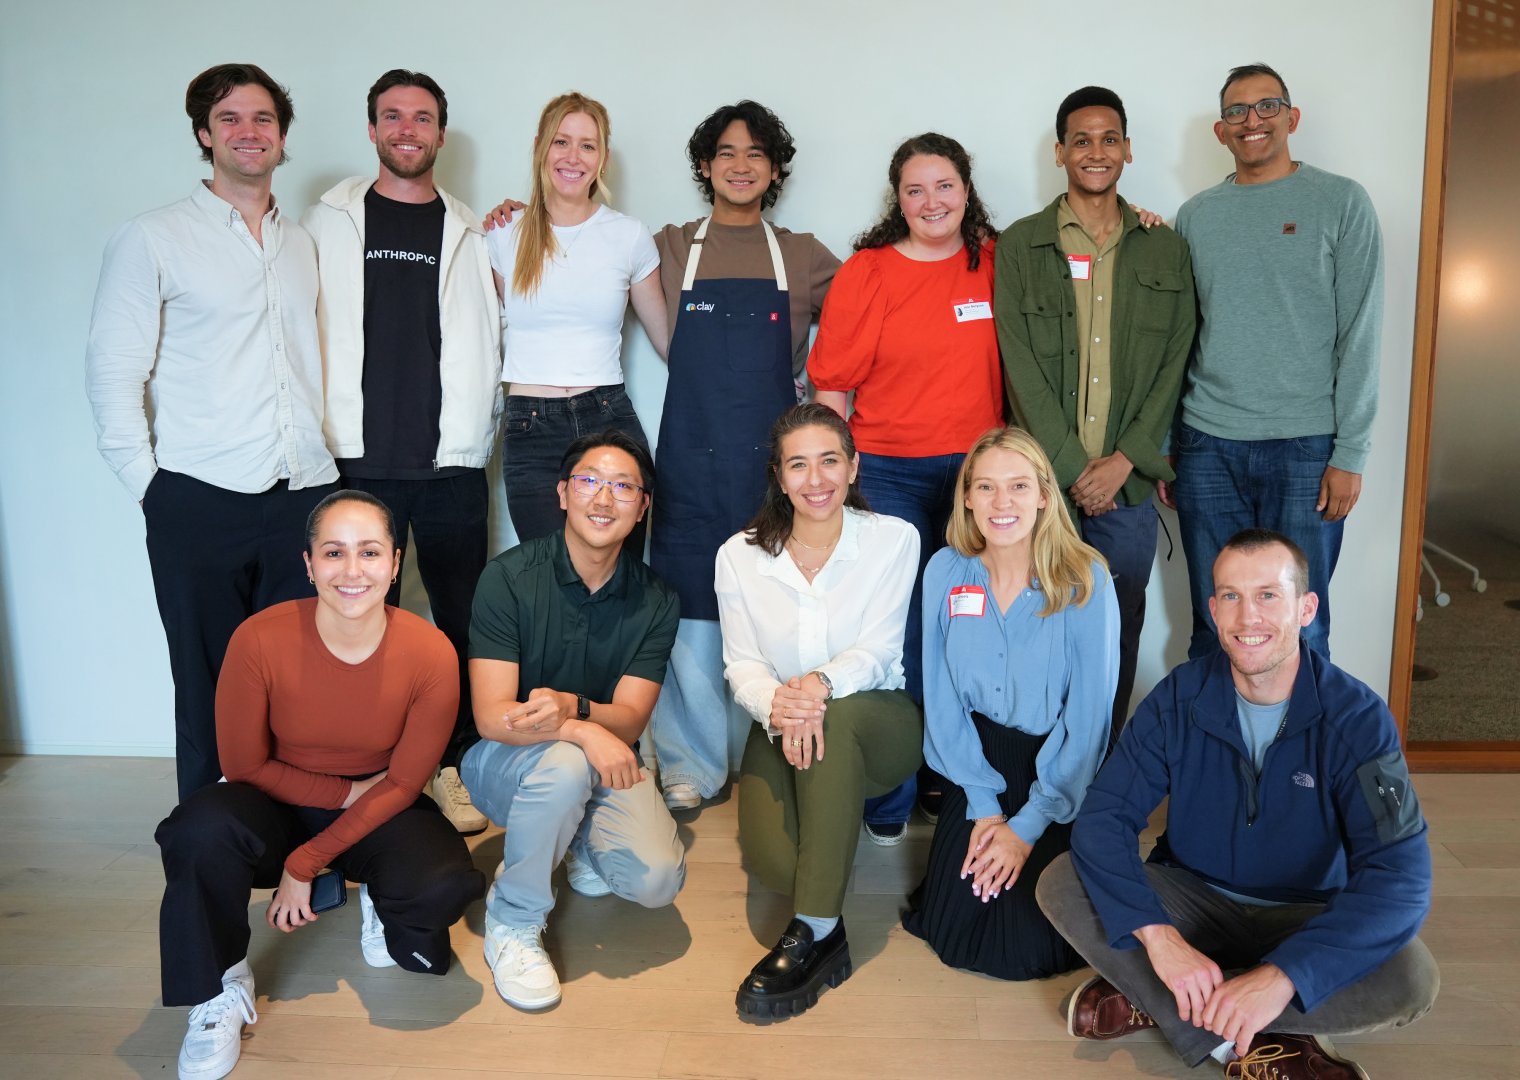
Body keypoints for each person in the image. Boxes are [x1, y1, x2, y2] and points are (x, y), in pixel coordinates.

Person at [1037, 529, 1437, 1080]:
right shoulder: (1177, 697)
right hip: (1192, 901)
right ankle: (1246, 1044)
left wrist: (1284, 976)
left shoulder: (1359, 719)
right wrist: (1160, 939)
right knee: (1061, 881)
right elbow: (1105, 820)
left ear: (1306, 609)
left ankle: (1160, 999)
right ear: (1213, 610)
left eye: (1268, 595)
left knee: (1412, 977)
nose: (1248, 617)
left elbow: (1401, 876)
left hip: (1305, 915)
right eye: (1231, 596)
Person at [154, 490, 486, 1080]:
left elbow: (405, 782)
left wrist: (305, 863)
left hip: (383, 801)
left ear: (394, 563)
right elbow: (243, 765)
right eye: (334, 552)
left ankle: (374, 892)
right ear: (308, 564)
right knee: (199, 829)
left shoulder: (431, 651)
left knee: (443, 886)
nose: (352, 570)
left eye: (369, 552)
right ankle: (220, 985)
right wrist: (343, 796)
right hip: (276, 801)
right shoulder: (259, 637)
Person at [85, 63, 338, 802]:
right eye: (230, 118)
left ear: (282, 136)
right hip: (198, 495)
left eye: (263, 118)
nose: (248, 132)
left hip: (301, 492)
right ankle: (209, 843)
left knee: (299, 688)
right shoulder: (152, 238)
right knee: (207, 688)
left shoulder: (302, 244)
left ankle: (292, 841)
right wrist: (152, 489)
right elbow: (112, 372)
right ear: (204, 134)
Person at [300, 69, 501, 835]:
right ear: (373, 129)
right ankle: (359, 772)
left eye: (421, 118)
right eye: (393, 116)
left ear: (440, 133)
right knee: (353, 624)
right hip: (352, 460)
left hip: (452, 461)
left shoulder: (474, 230)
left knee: (459, 625)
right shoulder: (326, 222)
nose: (407, 129)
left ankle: (453, 765)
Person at [646, 101, 842, 812]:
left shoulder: (803, 254)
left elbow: (876, 301)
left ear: (775, 169)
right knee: (690, 608)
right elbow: (580, 248)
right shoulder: (669, 246)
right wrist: (513, 219)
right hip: (691, 457)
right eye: (726, 152)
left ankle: (784, 753)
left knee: (782, 604)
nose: (740, 165)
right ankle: (690, 765)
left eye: (756, 153)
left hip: (775, 464)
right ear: (705, 166)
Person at [808, 132, 1002, 838]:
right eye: (915, 190)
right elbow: (832, 385)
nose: (931, 201)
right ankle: (890, 789)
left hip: (980, 478)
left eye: (944, 185)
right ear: (898, 199)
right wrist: (836, 477)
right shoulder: (868, 271)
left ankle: (948, 775)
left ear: (967, 190)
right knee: (897, 631)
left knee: (970, 628)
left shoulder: (998, 263)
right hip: (888, 470)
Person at [997, 87, 1194, 750]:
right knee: (1032, 621)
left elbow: (1175, 360)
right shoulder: (1021, 245)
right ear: (1060, 153)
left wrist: (1123, 461)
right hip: (1041, 486)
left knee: (1115, 630)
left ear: (1128, 150)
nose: (1096, 151)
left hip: (1127, 489)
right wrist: (1074, 469)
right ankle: (1031, 768)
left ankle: (1099, 771)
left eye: (1110, 139)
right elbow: (1019, 365)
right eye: (1081, 140)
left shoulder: (1165, 249)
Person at [461, 429, 686, 1011]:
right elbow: (492, 717)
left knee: (657, 880)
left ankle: (576, 837)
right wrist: (581, 728)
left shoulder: (657, 599)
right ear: (563, 493)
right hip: (500, 762)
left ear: (642, 507)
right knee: (565, 764)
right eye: (589, 481)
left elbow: (630, 722)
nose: (603, 498)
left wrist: (576, 709)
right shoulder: (508, 578)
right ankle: (514, 920)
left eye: (623, 487)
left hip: (600, 757)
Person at [1167, 63, 1384, 661]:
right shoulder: (1196, 216)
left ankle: (1299, 730)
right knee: (1215, 625)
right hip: (1206, 445)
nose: (1252, 120)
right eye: (1236, 111)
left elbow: (1361, 334)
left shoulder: (1341, 202)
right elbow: (1181, 338)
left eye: (1267, 106)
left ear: (1292, 118)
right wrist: (1167, 443)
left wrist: (1350, 453)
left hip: (1306, 450)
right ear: (1221, 131)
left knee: (1300, 629)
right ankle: (1214, 729)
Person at [717, 403, 923, 1018]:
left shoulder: (893, 538)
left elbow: (880, 649)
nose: (816, 479)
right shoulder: (738, 556)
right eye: (798, 465)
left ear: (853, 466)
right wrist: (780, 704)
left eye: (830, 460)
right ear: (779, 477)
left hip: (879, 722)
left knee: (831, 718)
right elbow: (742, 665)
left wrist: (817, 686)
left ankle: (819, 932)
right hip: (781, 719)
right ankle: (817, 881)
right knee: (781, 866)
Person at [904, 427, 1118, 979]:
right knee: (955, 933)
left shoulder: (1085, 579)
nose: (1003, 503)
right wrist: (983, 803)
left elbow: (1089, 721)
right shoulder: (945, 570)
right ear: (967, 498)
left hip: (1055, 769)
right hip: (974, 761)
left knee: (1031, 946)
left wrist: (1026, 827)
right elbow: (941, 696)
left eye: (1019, 486)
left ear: (1044, 495)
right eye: (986, 487)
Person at [485, 92, 668, 549]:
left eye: (588, 145)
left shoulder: (629, 236)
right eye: (561, 141)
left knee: (620, 574)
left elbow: (671, 343)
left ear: (603, 157)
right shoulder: (503, 234)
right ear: (539, 148)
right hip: (529, 424)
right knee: (547, 573)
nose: (573, 157)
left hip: (608, 416)